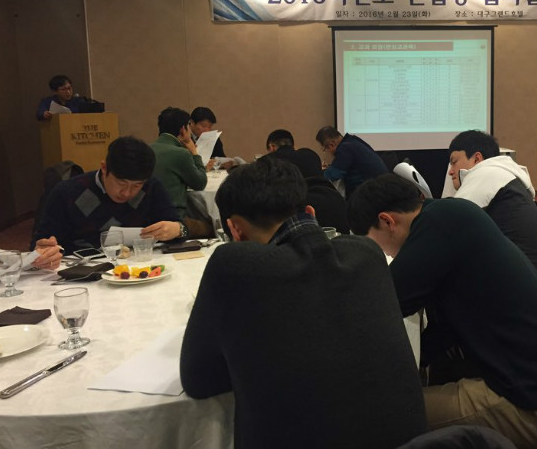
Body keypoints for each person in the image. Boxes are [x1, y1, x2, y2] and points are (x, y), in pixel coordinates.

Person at [180, 157, 427, 448]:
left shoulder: (233, 265)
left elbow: (198, 381)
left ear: (235, 230)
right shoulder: (368, 254)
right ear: (310, 212)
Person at [347, 174, 537, 449]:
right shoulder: (450, 214)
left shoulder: (439, 225)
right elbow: (444, 328)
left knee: (375, 414)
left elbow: (381, 304)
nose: (387, 255)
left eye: (375, 245)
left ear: (387, 221)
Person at [32, 136, 183, 254]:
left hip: (140, 266)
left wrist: (178, 229)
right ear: (104, 168)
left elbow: (179, 226)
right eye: (121, 183)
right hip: (83, 271)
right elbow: (40, 244)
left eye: (136, 185)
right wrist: (44, 252)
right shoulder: (66, 192)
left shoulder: (152, 186)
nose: (127, 193)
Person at [448, 130, 537, 283]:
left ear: (477, 159)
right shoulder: (506, 177)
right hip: (525, 282)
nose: (450, 171)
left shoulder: (486, 173)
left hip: (512, 286)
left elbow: (450, 225)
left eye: (454, 162)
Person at [150, 107, 210, 237]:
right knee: (212, 227)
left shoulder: (146, 150)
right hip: (175, 219)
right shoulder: (180, 153)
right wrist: (194, 152)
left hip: (147, 218)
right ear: (183, 129)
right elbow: (200, 183)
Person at [315, 126, 388, 197]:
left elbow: (333, 175)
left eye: (325, 149)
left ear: (331, 145)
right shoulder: (353, 140)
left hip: (371, 193)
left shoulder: (345, 149)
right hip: (382, 187)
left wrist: (321, 171)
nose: (328, 152)